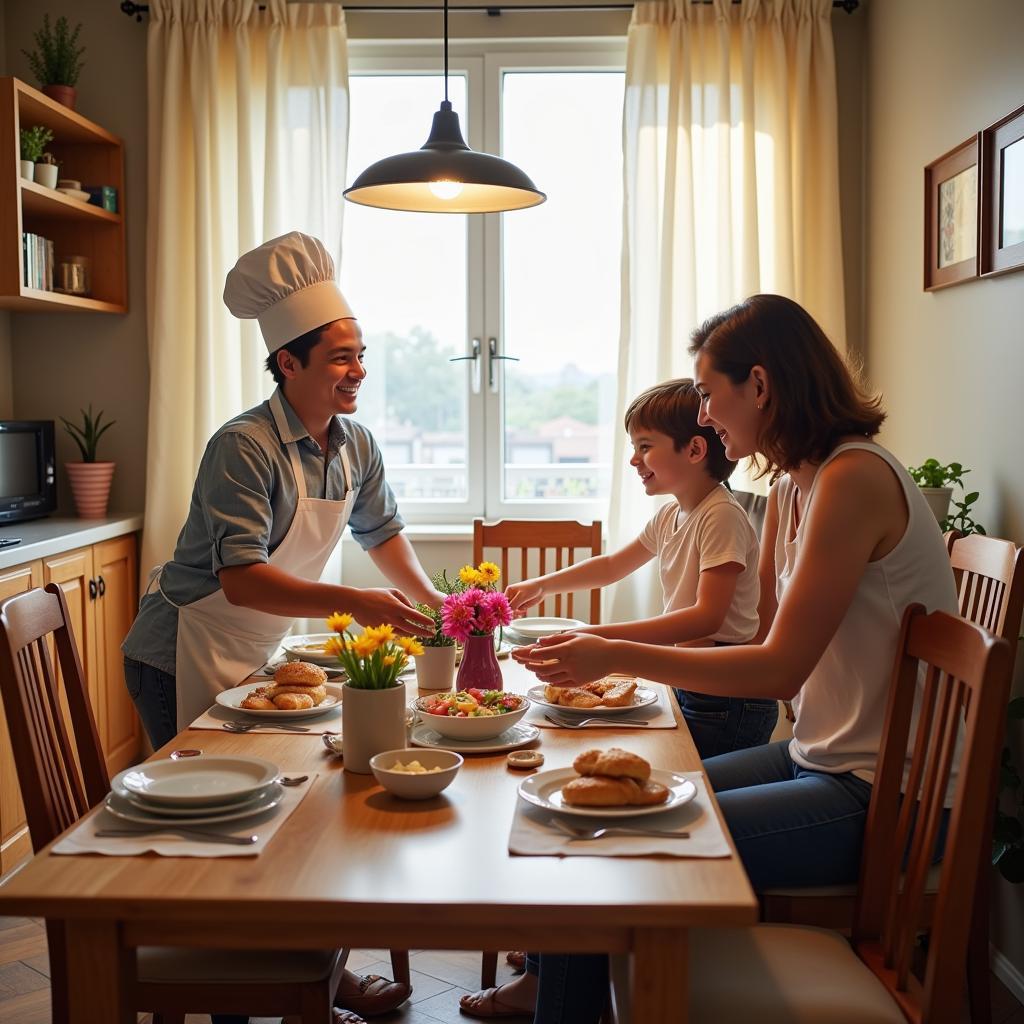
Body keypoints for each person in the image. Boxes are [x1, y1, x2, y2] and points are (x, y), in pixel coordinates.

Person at [461, 294, 958, 1024]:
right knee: (591, 816)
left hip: (884, 798)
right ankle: (569, 991)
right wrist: (616, 653)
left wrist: (613, 652)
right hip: (822, 760)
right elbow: (762, 647)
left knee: (604, 848)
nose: (703, 413)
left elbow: (777, 671)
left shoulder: (853, 479)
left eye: (705, 391)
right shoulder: (796, 487)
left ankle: (566, 1000)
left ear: (759, 385)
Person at [122, 231, 440, 1024]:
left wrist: (439, 613)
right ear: (287, 364)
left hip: (257, 649)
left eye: (360, 354)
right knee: (220, 832)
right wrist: (358, 605)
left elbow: (382, 534)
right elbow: (241, 577)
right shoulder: (243, 446)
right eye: (339, 357)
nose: (357, 370)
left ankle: (319, 979)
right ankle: (233, 993)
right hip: (181, 651)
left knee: (306, 811)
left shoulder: (354, 443)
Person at [504, 377, 776, 759]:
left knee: (697, 794)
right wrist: (543, 585)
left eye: (645, 447)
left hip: (728, 699)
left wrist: (600, 639)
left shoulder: (721, 517)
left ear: (695, 449)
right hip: (693, 681)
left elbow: (706, 618)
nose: (634, 460)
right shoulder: (672, 515)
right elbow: (613, 565)